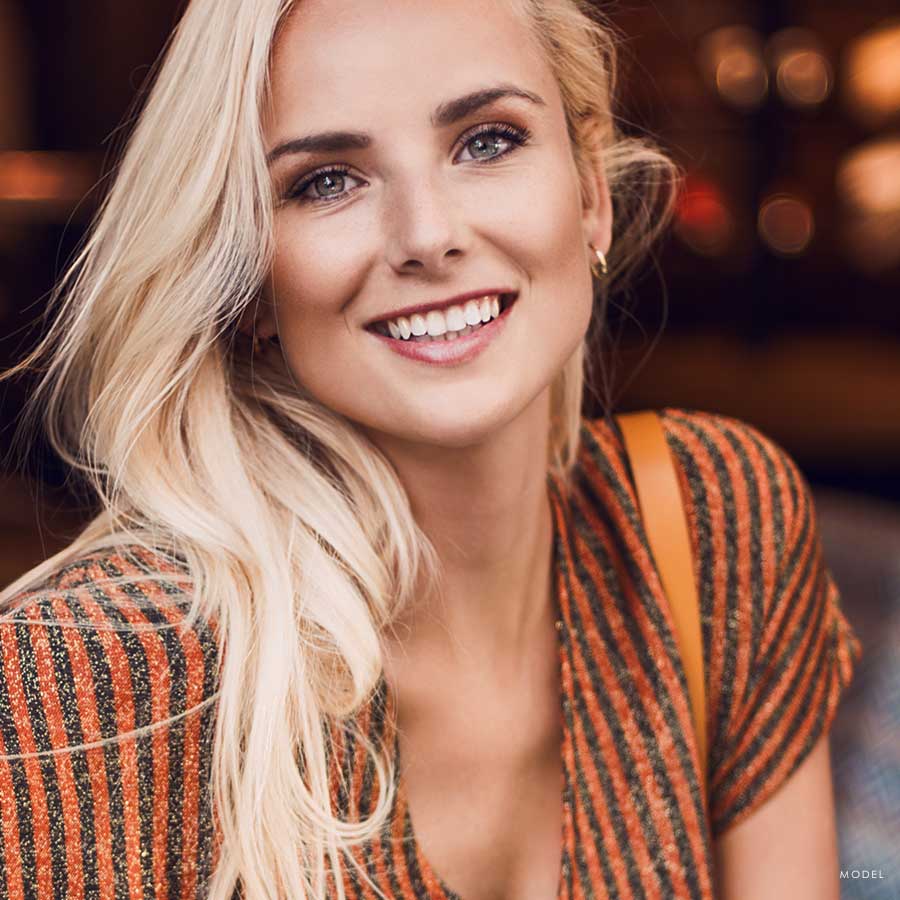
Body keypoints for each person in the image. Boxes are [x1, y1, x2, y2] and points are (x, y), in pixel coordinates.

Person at [0, 0, 862, 898]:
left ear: (591, 193)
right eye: (327, 180)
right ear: (247, 275)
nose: (428, 236)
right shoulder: (79, 683)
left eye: (487, 140)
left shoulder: (716, 521)